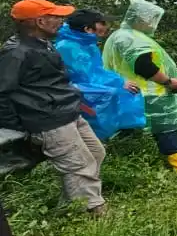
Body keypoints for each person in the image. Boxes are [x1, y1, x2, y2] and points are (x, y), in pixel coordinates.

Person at [0, 0, 107, 215]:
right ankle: (92, 213)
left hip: (67, 111)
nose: (61, 21)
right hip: (49, 119)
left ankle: (70, 206)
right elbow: (3, 92)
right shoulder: (17, 53)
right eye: (56, 17)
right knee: (79, 166)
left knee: (96, 152)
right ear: (40, 21)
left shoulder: (43, 43)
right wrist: (19, 125)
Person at [104, 0, 177, 172]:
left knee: (133, 130)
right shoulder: (130, 38)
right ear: (139, 19)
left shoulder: (120, 35)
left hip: (132, 92)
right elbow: (142, 65)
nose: (152, 24)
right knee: (166, 127)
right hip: (149, 92)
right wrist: (167, 81)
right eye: (150, 19)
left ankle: (129, 167)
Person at [54, 10, 146, 141]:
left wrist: (120, 81)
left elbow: (97, 70)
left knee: (131, 89)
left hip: (89, 81)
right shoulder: (68, 46)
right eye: (101, 23)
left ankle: (124, 130)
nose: (105, 26)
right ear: (88, 29)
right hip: (74, 86)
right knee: (111, 93)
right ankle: (101, 134)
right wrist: (118, 83)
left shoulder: (86, 43)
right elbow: (85, 76)